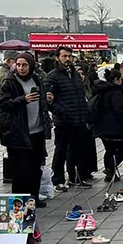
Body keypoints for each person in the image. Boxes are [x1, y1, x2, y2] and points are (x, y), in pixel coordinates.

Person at [0, 53, 53, 205]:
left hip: (37, 130)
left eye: (25, 65)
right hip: (18, 132)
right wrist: (23, 99)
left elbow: (41, 100)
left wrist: (45, 98)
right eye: (19, 65)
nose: (21, 68)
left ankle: (33, 198)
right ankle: (19, 202)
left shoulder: (36, 79)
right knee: (20, 170)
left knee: (35, 168)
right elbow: (2, 103)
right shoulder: (9, 81)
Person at [44, 46, 91, 190]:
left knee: (76, 151)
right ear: (57, 58)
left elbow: (80, 96)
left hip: (78, 119)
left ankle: (75, 178)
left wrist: (85, 115)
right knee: (61, 151)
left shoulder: (75, 74)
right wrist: (61, 112)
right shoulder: (52, 76)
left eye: (70, 56)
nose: (68, 59)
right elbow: (47, 100)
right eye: (64, 56)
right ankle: (57, 180)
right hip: (63, 121)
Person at [90, 68, 123, 181]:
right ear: (116, 80)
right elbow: (119, 109)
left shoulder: (101, 90)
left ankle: (110, 172)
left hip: (102, 126)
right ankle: (110, 169)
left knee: (109, 150)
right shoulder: (116, 91)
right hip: (116, 127)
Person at [0, 51, 18, 183]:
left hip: (4, 117)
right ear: (9, 61)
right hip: (6, 117)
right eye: (15, 62)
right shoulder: (4, 76)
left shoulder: (3, 74)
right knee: (8, 149)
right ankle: (9, 174)